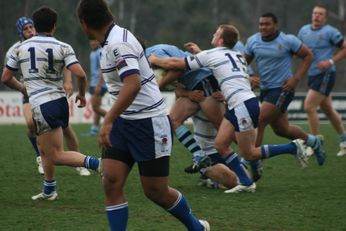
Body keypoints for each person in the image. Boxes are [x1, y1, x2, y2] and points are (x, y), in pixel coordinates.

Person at [76, 0, 209, 230]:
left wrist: (107, 120)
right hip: (124, 122)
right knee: (111, 182)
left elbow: (133, 84)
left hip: (149, 123)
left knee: (156, 191)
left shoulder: (118, 43)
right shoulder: (110, 41)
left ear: (84, 23)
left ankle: (196, 227)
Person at [150, 24, 310, 193]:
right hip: (241, 103)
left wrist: (155, 60)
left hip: (242, 105)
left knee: (249, 153)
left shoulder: (212, 54)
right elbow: (230, 75)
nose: (213, 34)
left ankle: (292, 148)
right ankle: (246, 182)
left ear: (220, 39)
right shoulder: (236, 55)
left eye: (216, 33)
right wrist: (200, 55)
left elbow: (176, 63)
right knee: (220, 144)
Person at [1, 7, 100, 200]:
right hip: (59, 102)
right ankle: (49, 189)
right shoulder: (63, 46)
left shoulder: (19, 49)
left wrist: (22, 88)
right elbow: (80, 73)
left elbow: (5, 77)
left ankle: (100, 165)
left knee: (55, 155)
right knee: (43, 146)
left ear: (35, 26)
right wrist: (81, 94)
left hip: (42, 104)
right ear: (54, 26)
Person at [244, 12, 326, 166]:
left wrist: (296, 79)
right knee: (282, 130)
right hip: (266, 90)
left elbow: (308, 56)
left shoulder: (288, 40)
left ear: (275, 25)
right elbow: (243, 62)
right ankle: (314, 141)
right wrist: (249, 76)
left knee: (259, 120)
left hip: (283, 89)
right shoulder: (253, 41)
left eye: (267, 24)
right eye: (261, 24)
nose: (263, 27)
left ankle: (252, 160)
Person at [146, 44, 225, 173]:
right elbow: (177, 86)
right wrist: (188, 94)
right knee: (173, 121)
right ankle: (199, 155)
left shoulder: (152, 53)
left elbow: (178, 70)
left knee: (223, 130)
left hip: (204, 81)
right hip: (193, 87)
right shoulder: (146, 61)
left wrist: (159, 86)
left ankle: (250, 158)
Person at [298, 4, 346, 157]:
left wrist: (330, 62)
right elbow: (297, 50)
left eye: (320, 14)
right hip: (312, 75)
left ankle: (315, 143)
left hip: (325, 74)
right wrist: (303, 53)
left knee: (308, 106)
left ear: (325, 18)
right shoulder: (304, 31)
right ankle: (345, 141)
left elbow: (344, 48)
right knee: (328, 110)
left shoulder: (331, 32)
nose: (316, 16)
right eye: (314, 13)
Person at [83, 40, 107, 136]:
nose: (92, 42)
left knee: (95, 107)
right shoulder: (92, 53)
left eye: (94, 40)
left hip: (99, 83)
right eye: (91, 41)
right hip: (94, 82)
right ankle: (94, 130)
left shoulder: (100, 52)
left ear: (98, 41)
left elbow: (102, 68)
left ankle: (115, 119)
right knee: (97, 107)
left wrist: (99, 84)